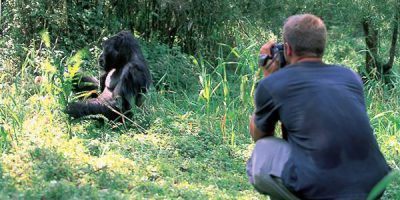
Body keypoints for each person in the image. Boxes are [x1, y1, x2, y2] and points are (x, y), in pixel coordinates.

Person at [247, 14, 390, 200]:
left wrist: (268, 75)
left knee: (263, 151)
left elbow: (259, 134)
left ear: (288, 49)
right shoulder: (350, 77)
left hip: (322, 188)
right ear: (321, 47)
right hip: (375, 185)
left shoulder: (274, 83)